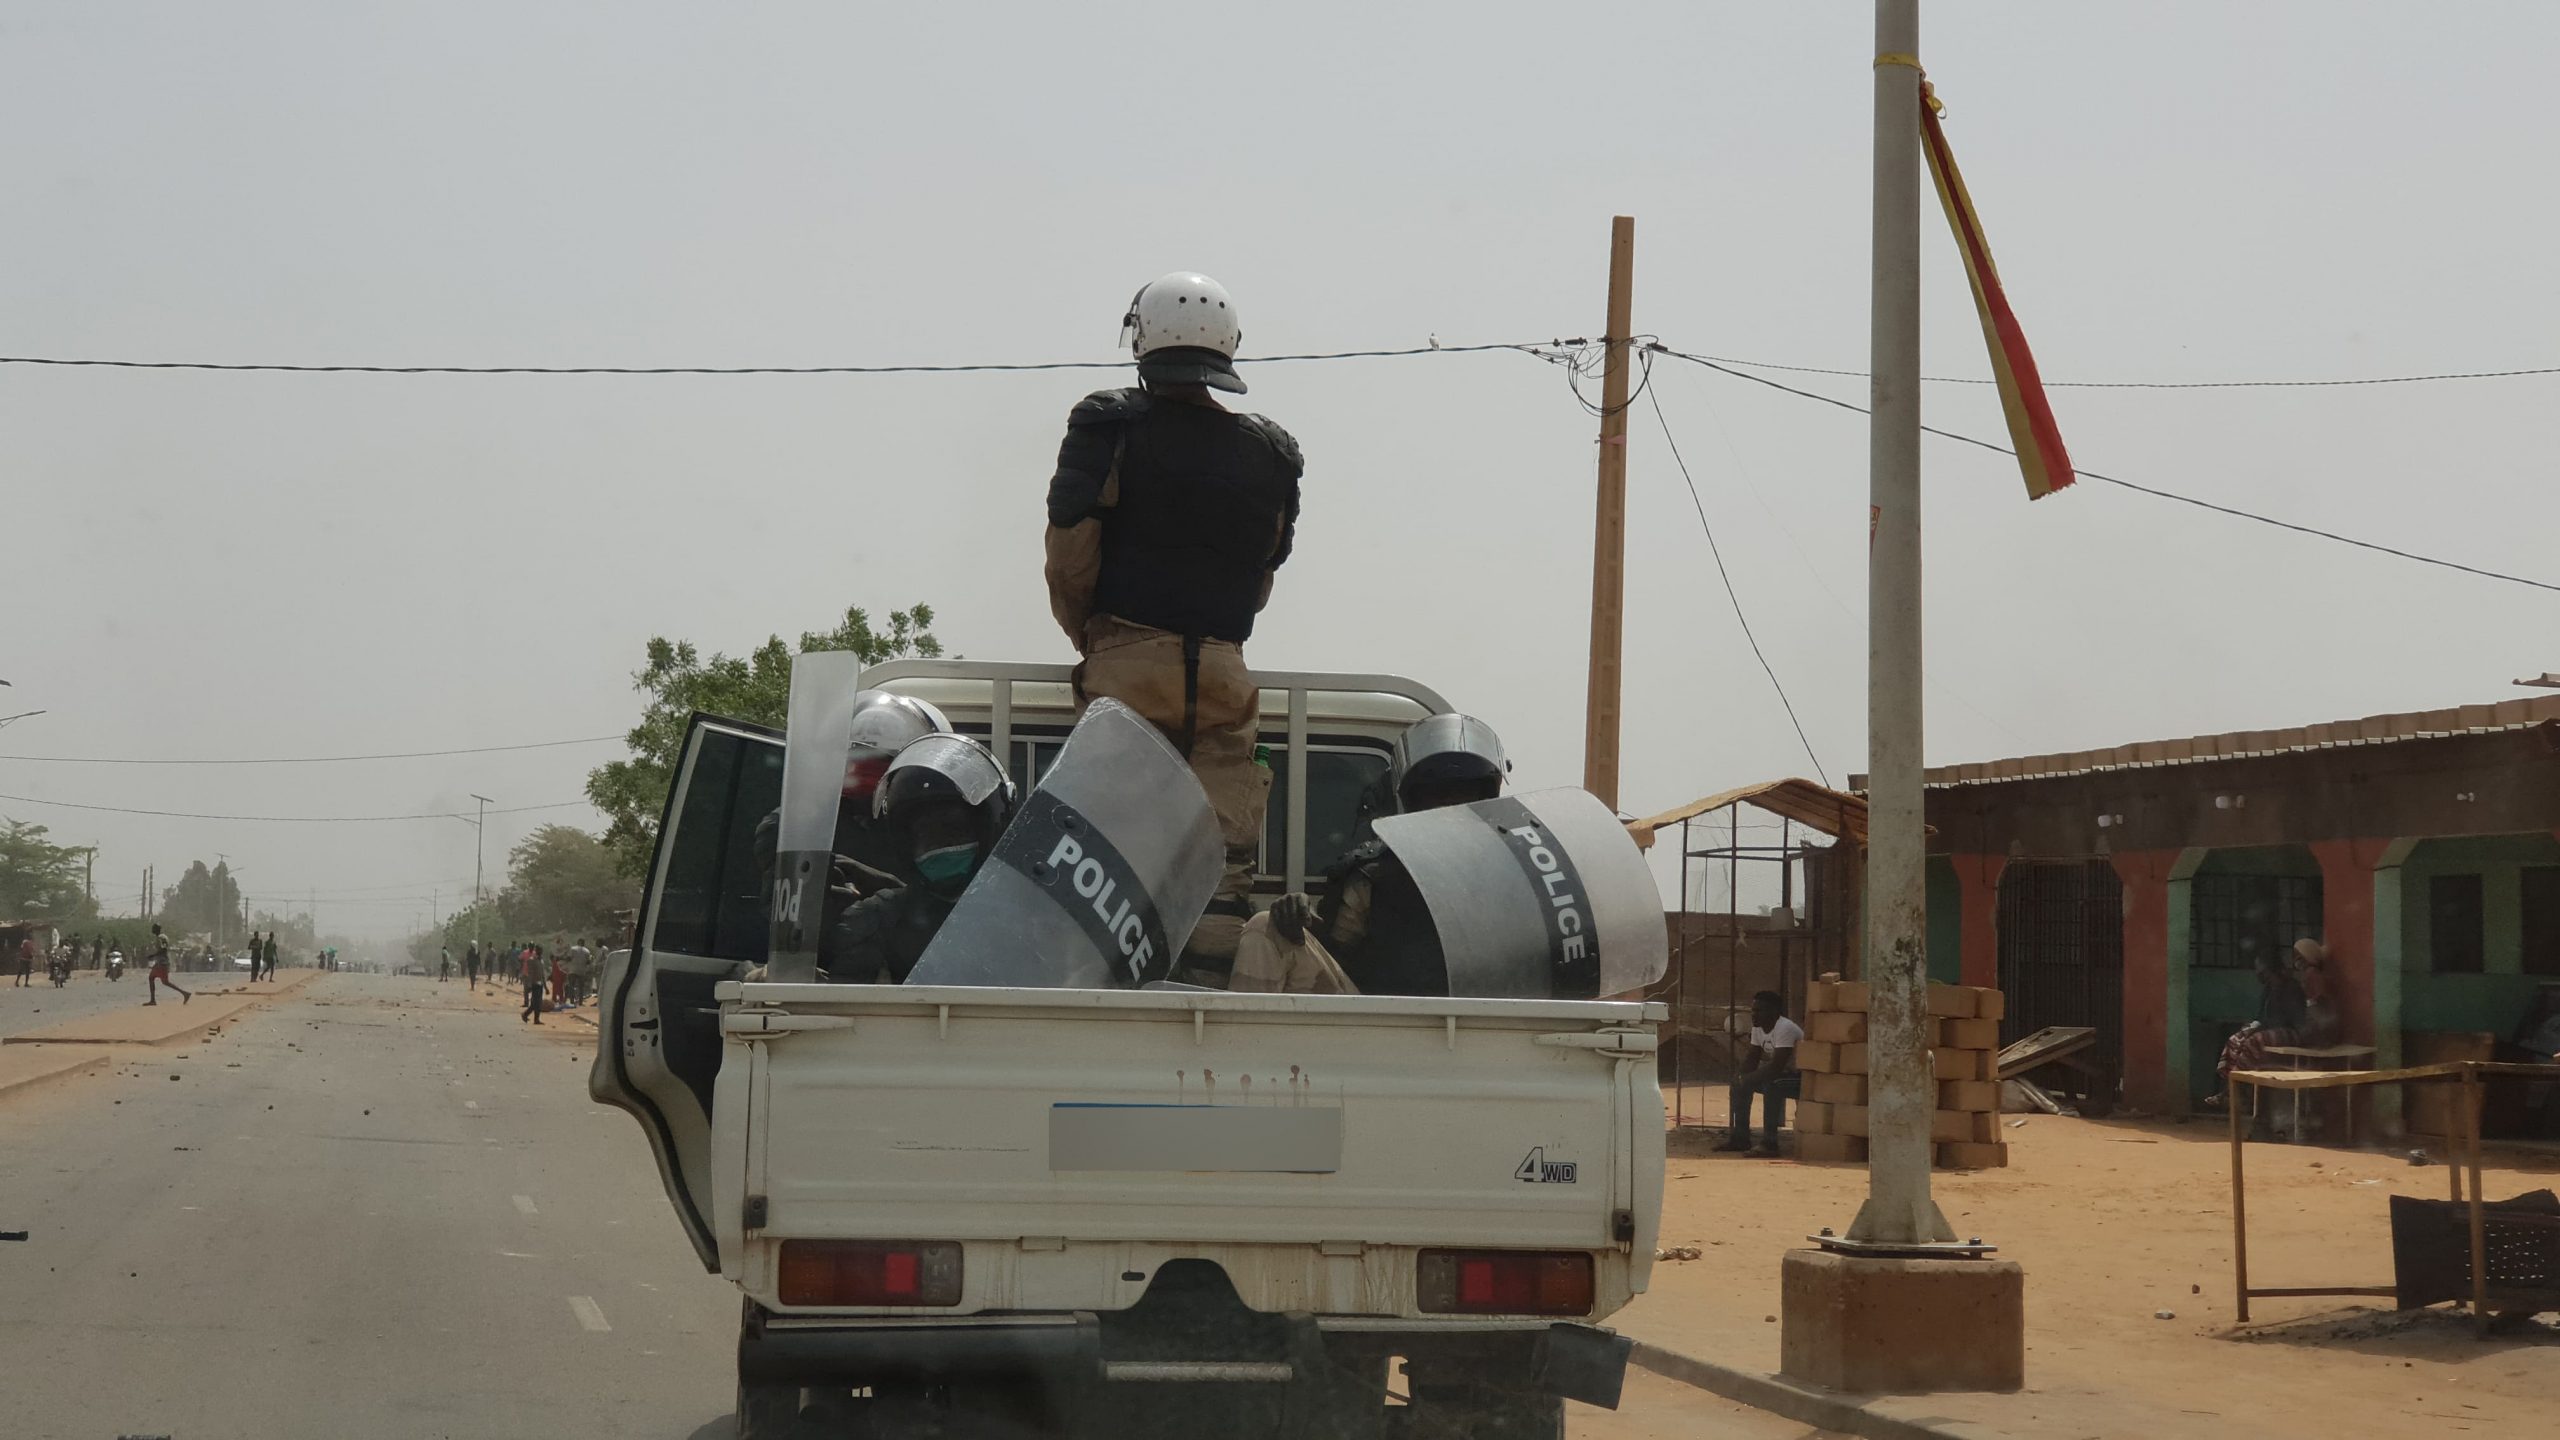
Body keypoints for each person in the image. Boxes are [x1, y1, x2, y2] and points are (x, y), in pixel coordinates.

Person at [1043, 272, 1303, 980]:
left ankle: (1110, 986)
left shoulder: (1108, 425)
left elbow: (1071, 555)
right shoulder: (1273, 453)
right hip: (1223, 671)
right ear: (1229, 347)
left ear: (1142, 338)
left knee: (1112, 852)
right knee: (1220, 870)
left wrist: (1096, 638)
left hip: (1127, 663)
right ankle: (1203, 994)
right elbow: (1260, 578)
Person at [1229, 713, 1508, 997]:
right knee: (1266, 927)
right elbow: (1333, 951)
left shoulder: (1516, 877)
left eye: (1463, 797)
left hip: (1493, 1023)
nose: (1450, 808)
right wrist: (1298, 916)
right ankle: (1240, 1042)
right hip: (1376, 1021)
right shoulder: (1377, 874)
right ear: (1415, 803)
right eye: (1438, 796)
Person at [821, 734, 1015, 985]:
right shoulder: (877, 919)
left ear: (988, 828)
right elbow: (848, 1004)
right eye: (924, 834)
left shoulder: (1027, 915)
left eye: (953, 829)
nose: (938, 843)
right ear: (904, 843)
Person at [2210, 938, 2343, 1106]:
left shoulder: (2297, 984)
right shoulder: (2270, 988)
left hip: (2299, 1031)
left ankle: (2238, 1088)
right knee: (2235, 1040)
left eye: (2262, 970)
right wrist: (2254, 1026)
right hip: (2288, 1029)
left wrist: (2262, 1027)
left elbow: (2297, 1017)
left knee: (2253, 1042)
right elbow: (2262, 1016)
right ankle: (2229, 1088)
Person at [1718, 991, 1804, 1157]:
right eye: (1753, 1011)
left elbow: (1776, 1066)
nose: (1754, 1015)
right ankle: (1740, 1138)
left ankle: (1770, 1143)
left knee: (1772, 1086)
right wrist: (1741, 1078)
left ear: (1774, 1012)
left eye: (1759, 1011)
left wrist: (1748, 1078)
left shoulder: (1784, 1028)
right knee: (1739, 1085)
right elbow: (1752, 1058)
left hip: (1800, 1077)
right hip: (1783, 1075)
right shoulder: (1758, 1029)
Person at [145, 924, 191, 1006]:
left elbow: (163, 949)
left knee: (162, 981)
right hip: (161, 962)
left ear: (156, 929)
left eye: (153, 928)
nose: (152, 929)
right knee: (156, 979)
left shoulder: (161, 938)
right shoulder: (162, 937)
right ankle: (184, 993)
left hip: (162, 962)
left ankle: (184, 993)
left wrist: (153, 955)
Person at [520, 943, 545, 1024]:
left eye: (541, 950)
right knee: (535, 1003)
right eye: (539, 950)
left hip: (540, 983)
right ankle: (527, 1015)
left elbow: (542, 974)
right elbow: (530, 973)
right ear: (536, 950)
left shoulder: (541, 960)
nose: (540, 952)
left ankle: (531, 1017)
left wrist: (545, 986)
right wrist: (529, 984)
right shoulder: (531, 960)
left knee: (538, 1003)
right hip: (534, 983)